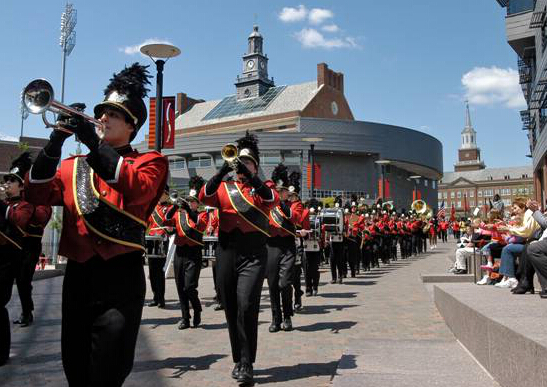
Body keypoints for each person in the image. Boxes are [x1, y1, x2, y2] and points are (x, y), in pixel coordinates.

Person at [25, 63, 168, 386]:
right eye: (101, 112)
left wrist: (95, 144)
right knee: (75, 370)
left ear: (132, 125)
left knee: (108, 371)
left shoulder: (150, 162)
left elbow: (136, 190)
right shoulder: (74, 166)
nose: (102, 118)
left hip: (120, 278)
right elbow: (36, 192)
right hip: (78, 279)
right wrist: (56, 140)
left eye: (113, 114)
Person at [198, 132, 278, 385]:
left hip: (253, 253)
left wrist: (252, 177)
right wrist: (223, 170)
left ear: (255, 165)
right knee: (231, 307)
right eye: (240, 162)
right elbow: (203, 196)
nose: (243, 166)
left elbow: (270, 199)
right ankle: (238, 358)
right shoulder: (224, 187)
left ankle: (247, 362)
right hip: (226, 250)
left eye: (248, 162)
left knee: (246, 304)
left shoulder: (264, 187)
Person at [0, 153, 34, 366]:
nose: (7, 184)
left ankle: (2, 353)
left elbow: (19, 221)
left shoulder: (24, 205)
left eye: (12, 181)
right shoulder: (5, 204)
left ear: (22, 187)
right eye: (6, 181)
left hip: (7, 261)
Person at [165, 176, 208, 329]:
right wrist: (176, 206)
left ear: (198, 203)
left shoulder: (203, 214)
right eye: (188, 201)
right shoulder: (179, 214)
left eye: (192, 201)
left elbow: (199, 226)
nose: (190, 203)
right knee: (180, 285)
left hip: (194, 253)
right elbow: (167, 219)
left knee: (189, 286)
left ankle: (197, 309)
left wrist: (189, 210)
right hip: (180, 252)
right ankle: (185, 317)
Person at [266, 164, 301, 332]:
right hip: (271, 246)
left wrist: (281, 203)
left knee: (285, 283)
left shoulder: (294, 205)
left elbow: (295, 218)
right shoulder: (268, 206)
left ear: (288, 192)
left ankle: (287, 316)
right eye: (277, 190)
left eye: (283, 191)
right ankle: (275, 318)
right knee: (272, 284)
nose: (280, 193)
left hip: (287, 246)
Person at [145, 185, 172, 309]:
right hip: (151, 239)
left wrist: (169, 229)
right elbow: (147, 223)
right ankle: (155, 297)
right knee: (152, 270)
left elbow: (173, 224)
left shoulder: (171, 208)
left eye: (162, 194)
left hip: (162, 239)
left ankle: (161, 298)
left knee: (159, 271)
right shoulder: (153, 207)